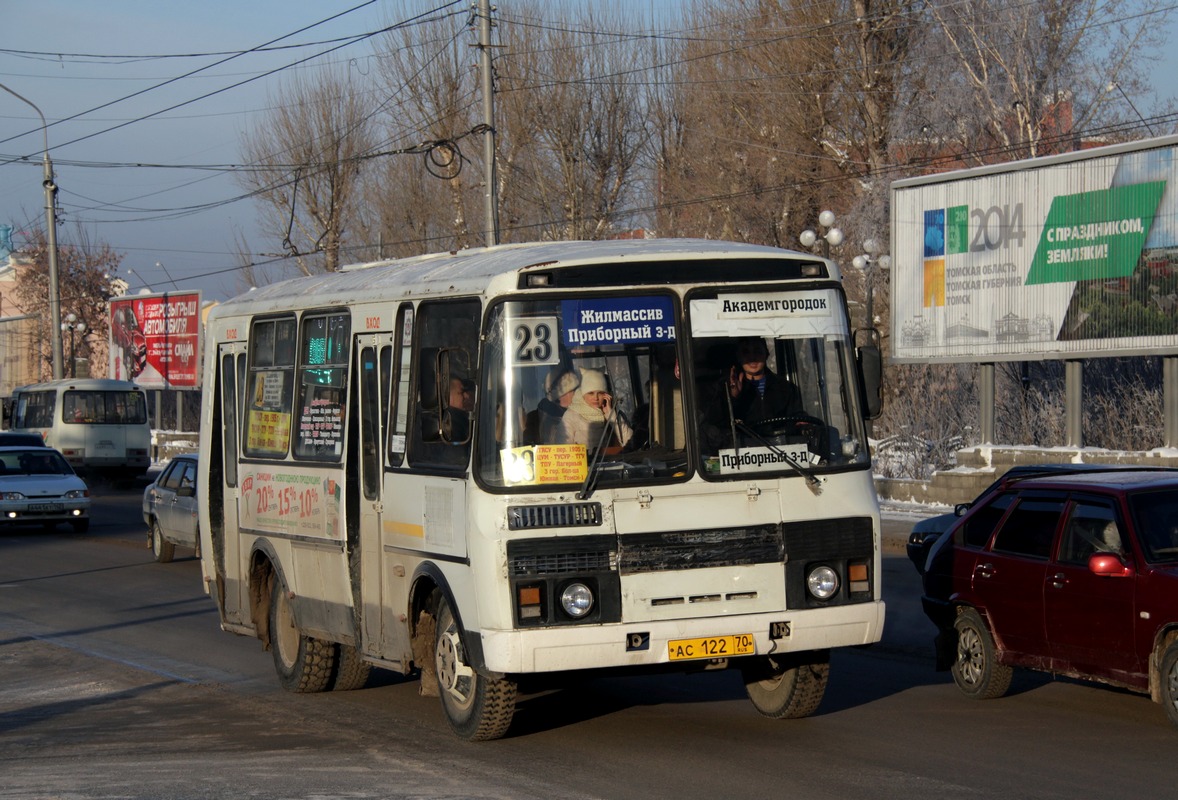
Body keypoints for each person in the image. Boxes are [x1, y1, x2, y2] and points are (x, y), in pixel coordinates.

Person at [725, 337, 802, 425]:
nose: (752, 357)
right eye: (746, 352)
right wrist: (734, 397)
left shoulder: (785, 387)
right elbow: (719, 425)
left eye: (757, 351)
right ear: (738, 356)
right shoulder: (725, 389)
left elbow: (796, 417)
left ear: (767, 354)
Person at [559, 368, 633, 449]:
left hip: (615, 460)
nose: (596, 398)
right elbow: (563, 452)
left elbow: (631, 444)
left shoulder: (615, 414)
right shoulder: (571, 416)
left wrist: (611, 416)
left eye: (601, 393)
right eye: (591, 393)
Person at [524, 367, 580, 444]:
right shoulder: (536, 421)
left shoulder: (582, 414)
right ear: (559, 396)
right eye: (572, 391)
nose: (577, 394)